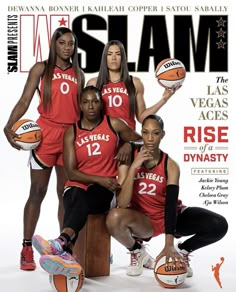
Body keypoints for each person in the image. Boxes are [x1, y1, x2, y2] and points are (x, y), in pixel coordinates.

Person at [31, 85, 143, 277]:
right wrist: (100, 179)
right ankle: (64, 249)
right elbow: (71, 172)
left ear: (101, 104)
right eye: (86, 102)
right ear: (80, 105)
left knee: (84, 198)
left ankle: (63, 247)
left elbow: (141, 140)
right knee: (76, 195)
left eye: (95, 101)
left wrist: (128, 143)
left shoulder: (113, 124)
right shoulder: (71, 132)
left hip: (103, 191)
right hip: (82, 184)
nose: (91, 105)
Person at [105, 114, 228, 277]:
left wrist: (169, 244)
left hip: (169, 216)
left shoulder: (170, 165)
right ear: (141, 133)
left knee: (219, 224)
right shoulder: (128, 159)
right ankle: (137, 251)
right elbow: (121, 202)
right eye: (146, 133)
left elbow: (170, 205)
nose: (150, 138)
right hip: (144, 221)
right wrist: (134, 167)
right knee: (113, 217)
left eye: (155, 133)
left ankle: (182, 251)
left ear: (162, 135)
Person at [3, 27, 84, 271]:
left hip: (70, 136)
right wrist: (9, 125)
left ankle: (63, 248)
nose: (67, 47)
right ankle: (27, 247)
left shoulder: (79, 73)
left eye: (71, 43)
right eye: (62, 43)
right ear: (54, 44)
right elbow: (24, 100)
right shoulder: (42, 68)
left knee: (65, 194)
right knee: (37, 190)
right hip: (45, 135)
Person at [87, 40, 177, 183]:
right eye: (110, 54)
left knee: (123, 182)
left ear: (123, 57)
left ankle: (120, 205)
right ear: (104, 58)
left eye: (117, 54)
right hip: (103, 139)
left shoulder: (134, 83)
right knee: (102, 183)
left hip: (126, 139)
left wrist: (164, 99)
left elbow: (141, 117)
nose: (114, 58)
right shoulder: (94, 83)